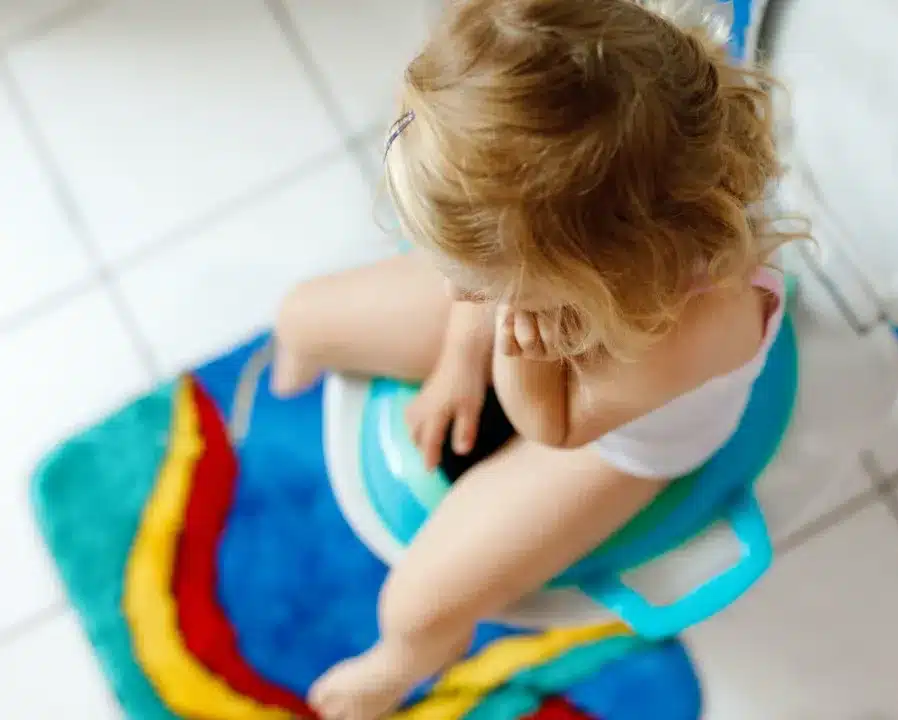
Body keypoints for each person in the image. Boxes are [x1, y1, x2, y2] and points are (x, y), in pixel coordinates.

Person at [272, 0, 797, 717]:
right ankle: (307, 358)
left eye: (472, 275)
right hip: (539, 293)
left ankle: (404, 663)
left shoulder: (700, 326)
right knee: (302, 314)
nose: (452, 286)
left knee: (416, 603)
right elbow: (482, 284)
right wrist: (465, 350)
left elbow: (554, 423)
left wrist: (515, 355)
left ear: (577, 280)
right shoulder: (606, 122)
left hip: (614, 442)